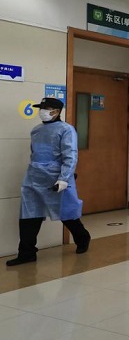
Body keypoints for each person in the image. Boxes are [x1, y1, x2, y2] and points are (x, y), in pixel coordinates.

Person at [6, 97, 91, 267]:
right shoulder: (36, 130)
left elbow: (70, 155)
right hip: (34, 177)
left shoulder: (66, 130)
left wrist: (64, 179)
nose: (42, 111)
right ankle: (27, 253)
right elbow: (34, 153)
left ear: (57, 111)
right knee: (29, 215)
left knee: (66, 213)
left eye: (46, 108)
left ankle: (82, 237)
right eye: (41, 108)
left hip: (56, 177)